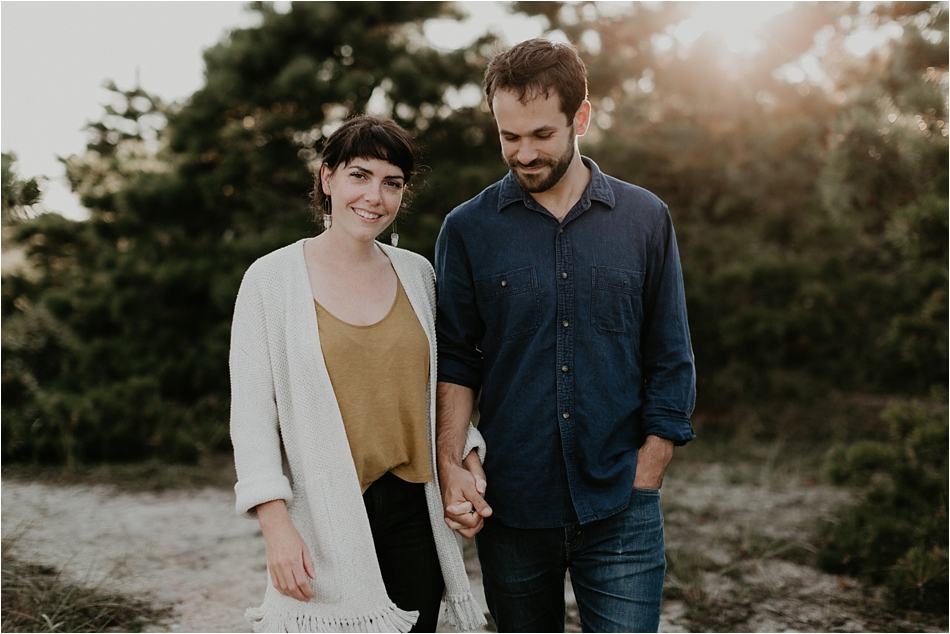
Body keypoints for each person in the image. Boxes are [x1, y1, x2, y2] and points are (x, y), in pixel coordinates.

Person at [434, 39, 696, 633]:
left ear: (581, 117)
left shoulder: (645, 218)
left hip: (621, 502)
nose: (523, 153)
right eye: (509, 136)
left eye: (541, 135)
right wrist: (451, 461)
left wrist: (647, 470)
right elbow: (454, 359)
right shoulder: (467, 230)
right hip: (512, 504)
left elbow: (670, 353)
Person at [229, 115, 486, 633]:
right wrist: (276, 528)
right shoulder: (270, 280)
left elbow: (436, 389)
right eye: (359, 175)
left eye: (392, 183)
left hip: (416, 511)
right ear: (327, 178)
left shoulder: (418, 274)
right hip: (325, 514)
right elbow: (253, 417)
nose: (375, 196)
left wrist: (468, 459)